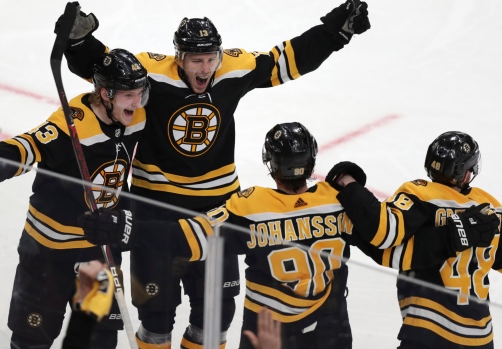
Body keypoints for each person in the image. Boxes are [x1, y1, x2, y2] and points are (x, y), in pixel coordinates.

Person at [59, 2, 371, 348]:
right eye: (196, 60)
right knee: (155, 319)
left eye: (210, 59)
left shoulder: (232, 69)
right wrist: (77, 41)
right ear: (180, 57)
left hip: (216, 210)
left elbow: (286, 61)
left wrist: (332, 34)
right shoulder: (150, 72)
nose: (205, 68)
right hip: (155, 208)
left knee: (215, 319)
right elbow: (104, 68)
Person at [79, 122, 493, 349]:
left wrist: (127, 227)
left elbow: (187, 239)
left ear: (270, 164)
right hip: (332, 331)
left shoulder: (249, 205)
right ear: (312, 160)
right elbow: (397, 250)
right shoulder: (337, 201)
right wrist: (458, 231)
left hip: (270, 333)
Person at [0, 48, 149, 349]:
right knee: (32, 339)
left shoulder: (135, 116)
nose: (138, 102)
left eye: (140, 94)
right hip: (47, 252)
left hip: (100, 249)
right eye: (129, 95)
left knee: (100, 341)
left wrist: (84, 42)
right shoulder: (70, 124)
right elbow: (27, 147)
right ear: (105, 93)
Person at [326, 131, 502, 349]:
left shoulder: (422, 194)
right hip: (480, 338)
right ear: (464, 171)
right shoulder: (491, 207)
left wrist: (350, 185)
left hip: (428, 331)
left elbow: (383, 234)